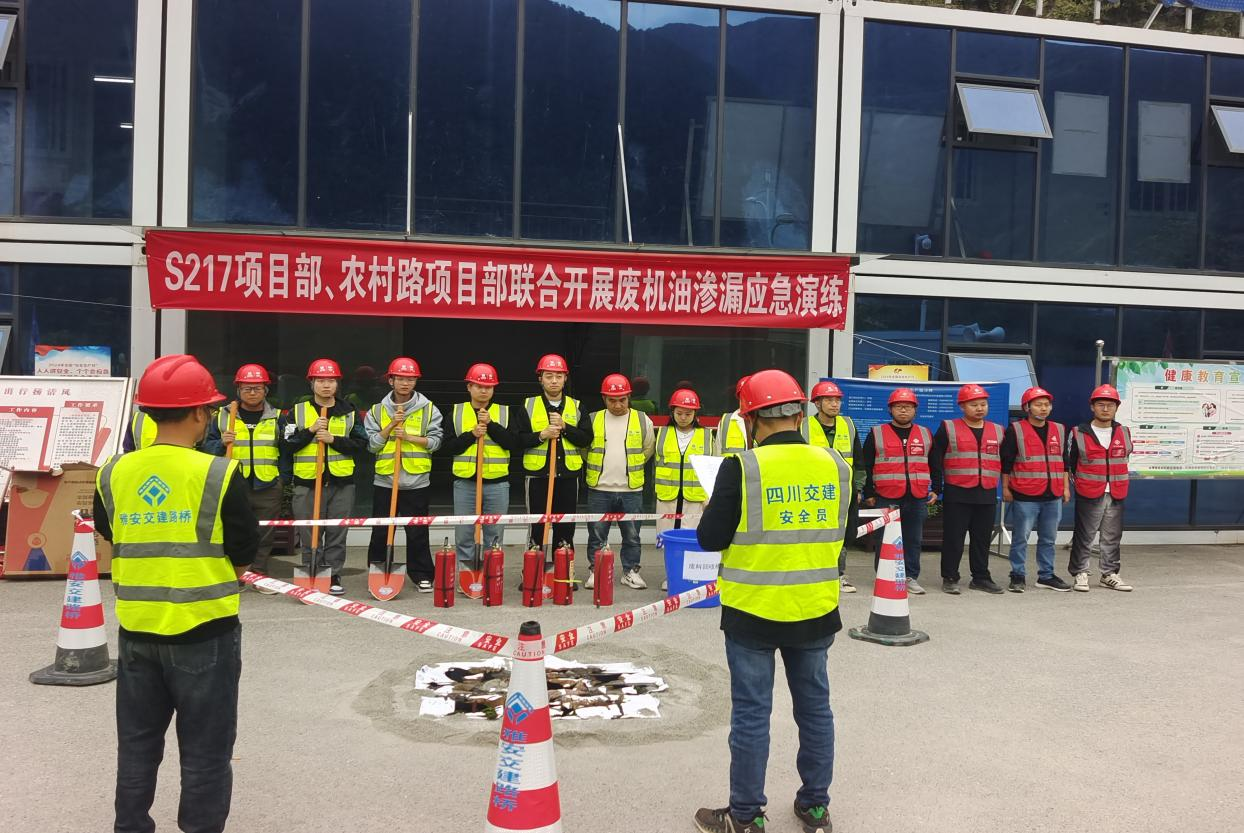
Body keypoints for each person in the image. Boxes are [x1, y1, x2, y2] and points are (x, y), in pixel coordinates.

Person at [93, 354, 259, 833]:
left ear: (148, 412)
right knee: (206, 753)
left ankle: (131, 826)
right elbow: (243, 550)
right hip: (205, 633)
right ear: (200, 413)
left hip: (137, 632)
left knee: (137, 747)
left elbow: (111, 532)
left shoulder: (113, 472)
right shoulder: (217, 473)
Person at [693, 369, 849, 833]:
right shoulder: (836, 465)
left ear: (750, 420)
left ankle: (745, 817)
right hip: (815, 610)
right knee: (815, 711)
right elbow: (843, 528)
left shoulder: (741, 468)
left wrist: (714, 508)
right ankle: (815, 808)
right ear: (800, 415)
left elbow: (709, 538)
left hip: (752, 614)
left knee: (751, 715)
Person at [279, 358, 368, 595]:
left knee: (337, 532)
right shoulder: (298, 411)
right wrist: (309, 431)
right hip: (307, 482)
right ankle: (311, 572)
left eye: (331, 381)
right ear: (312, 383)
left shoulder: (349, 411)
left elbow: (362, 444)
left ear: (338, 384)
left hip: (341, 483)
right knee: (309, 532)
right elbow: (286, 445)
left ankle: (333, 575)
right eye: (320, 380)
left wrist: (333, 440)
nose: (326, 385)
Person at [203, 363, 285, 595]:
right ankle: (235, 577)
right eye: (247, 388)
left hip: (268, 484)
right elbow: (205, 447)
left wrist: (283, 478)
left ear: (265, 390)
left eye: (257, 388)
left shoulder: (277, 417)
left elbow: (287, 450)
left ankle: (260, 575)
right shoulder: (221, 417)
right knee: (233, 530)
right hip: (232, 483)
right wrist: (221, 443)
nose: (252, 392)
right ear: (238, 390)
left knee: (265, 533)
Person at [363, 356, 443, 593]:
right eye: (400, 378)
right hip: (386, 481)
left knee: (417, 532)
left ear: (416, 382)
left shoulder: (429, 409)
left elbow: (436, 443)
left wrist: (408, 437)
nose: (405, 383)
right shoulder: (377, 411)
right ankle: (378, 572)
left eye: (410, 379)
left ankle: (422, 574)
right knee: (381, 531)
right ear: (391, 381)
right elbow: (372, 445)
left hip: (417, 481)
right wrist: (389, 427)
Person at [440, 363, 521, 573]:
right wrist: (472, 435)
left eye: (488, 387)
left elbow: (513, 443)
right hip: (465, 483)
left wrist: (491, 425)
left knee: (494, 534)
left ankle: (492, 576)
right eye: (479, 386)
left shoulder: (504, 412)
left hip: (497, 484)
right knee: (464, 533)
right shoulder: (456, 412)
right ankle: (467, 576)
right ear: (469, 387)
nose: (484, 391)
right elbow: (447, 447)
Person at [859, 387, 936, 595]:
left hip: (917, 496)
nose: (903, 410)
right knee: (885, 539)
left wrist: (937, 488)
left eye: (908, 407)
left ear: (915, 410)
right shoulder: (877, 433)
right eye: (899, 406)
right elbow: (866, 465)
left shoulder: (925, 434)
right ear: (890, 409)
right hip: (886, 496)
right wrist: (869, 493)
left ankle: (910, 577)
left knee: (913, 539)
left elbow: (934, 463)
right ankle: (885, 576)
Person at [931, 383, 1004, 595]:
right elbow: (935, 458)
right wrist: (937, 486)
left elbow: (1006, 460)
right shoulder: (948, 428)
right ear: (962, 406)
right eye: (974, 404)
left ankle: (981, 577)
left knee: (981, 539)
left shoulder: (998, 430)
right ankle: (950, 577)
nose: (979, 408)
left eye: (983, 404)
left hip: (987, 492)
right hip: (958, 491)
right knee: (954, 538)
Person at [584, 373, 655, 590]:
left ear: (629, 397)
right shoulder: (592, 419)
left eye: (622, 400)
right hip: (599, 487)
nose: (617, 405)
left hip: (631, 488)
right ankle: (596, 571)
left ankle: (630, 572)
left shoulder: (642, 419)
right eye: (612, 400)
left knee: (632, 535)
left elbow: (648, 449)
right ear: (604, 398)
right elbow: (584, 450)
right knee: (597, 535)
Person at [516, 353, 591, 558]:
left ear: (565, 378)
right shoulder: (528, 406)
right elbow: (517, 440)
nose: (554, 381)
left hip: (568, 477)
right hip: (538, 476)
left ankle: (563, 568)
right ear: (540, 378)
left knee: (565, 526)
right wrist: (541, 435)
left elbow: (586, 438)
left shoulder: (577, 407)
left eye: (559, 376)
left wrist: (565, 427)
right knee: (537, 526)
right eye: (549, 376)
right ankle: (533, 568)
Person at [1001, 386, 1072, 593]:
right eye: (1038, 405)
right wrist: (1005, 488)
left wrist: (1065, 488)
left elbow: (1064, 462)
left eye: (1046, 404)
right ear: (1027, 408)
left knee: (1049, 539)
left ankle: (1046, 576)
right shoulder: (1015, 430)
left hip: (1053, 494)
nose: (1043, 408)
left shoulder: (1059, 429)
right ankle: (1017, 575)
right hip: (1025, 495)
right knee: (1021, 538)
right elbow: (1006, 463)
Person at [1067, 384, 1134, 592]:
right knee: (1084, 535)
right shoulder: (1078, 432)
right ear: (1092, 407)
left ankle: (1109, 573)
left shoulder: (1124, 432)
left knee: (1112, 536)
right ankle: (1080, 572)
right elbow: (1071, 464)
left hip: (1116, 491)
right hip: (1089, 491)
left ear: (1116, 408)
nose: (1105, 409)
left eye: (1110, 405)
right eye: (1101, 404)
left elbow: (1125, 458)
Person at [804, 380, 863, 593]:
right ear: (817, 403)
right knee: (814, 533)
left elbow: (859, 460)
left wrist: (858, 488)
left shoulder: (848, 425)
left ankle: (839, 575)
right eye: (829, 400)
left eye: (837, 400)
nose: (834, 404)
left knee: (843, 535)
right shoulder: (804, 426)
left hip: (844, 491)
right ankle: (813, 575)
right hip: (814, 492)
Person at [654, 388, 714, 590]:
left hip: (695, 497)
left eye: (688, 413)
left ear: (696, 413)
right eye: (679, 413)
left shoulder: (706, 436)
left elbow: (712, 465)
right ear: (672, 412)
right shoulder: (662, 433)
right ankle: (670, 576)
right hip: (668, 495)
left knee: (692, 538)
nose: (683, 417)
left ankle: (690, 577)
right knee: (668, 538)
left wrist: (709, 496)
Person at [715, 376, 751, 456]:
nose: (748, 399)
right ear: (738, 397)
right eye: (744, 395)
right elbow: (717, 455)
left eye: (751, 394)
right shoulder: (726, 421)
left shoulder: (765, 420)